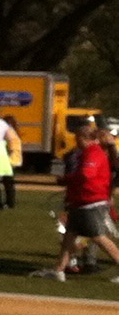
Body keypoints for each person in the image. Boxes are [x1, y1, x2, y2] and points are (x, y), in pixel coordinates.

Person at [39, 118, 119, 282]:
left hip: (90, 201)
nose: (76, 142)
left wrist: (66, 179)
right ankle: (59, 270)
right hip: (83, 201)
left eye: (77, 139)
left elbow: (86, 174)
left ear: (84, 138)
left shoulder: (93, 153)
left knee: (99, 237)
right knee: (70, 236)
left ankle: (60, 270)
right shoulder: (92, 152)